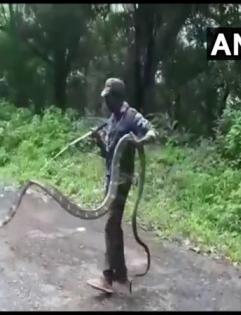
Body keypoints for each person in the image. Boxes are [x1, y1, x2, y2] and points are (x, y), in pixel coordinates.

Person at [86, 78, 158, 294]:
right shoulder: (111, 120)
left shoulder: (131, 116)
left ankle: (107, 277)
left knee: (110, 224)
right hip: (110, 179)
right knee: (114, 225)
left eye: (109, 98)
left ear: (118, 97)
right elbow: (109, 154)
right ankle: (121, 273)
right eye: (105, 98)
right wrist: (99, 140)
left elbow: (153, 133)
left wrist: (139, 141)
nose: (106, 102)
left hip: (123, 180)